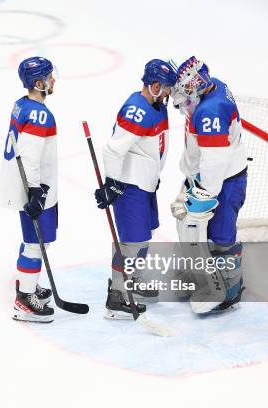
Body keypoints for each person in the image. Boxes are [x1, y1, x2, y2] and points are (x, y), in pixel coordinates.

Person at [94, 59, 177, 319]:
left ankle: (134, 282)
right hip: (130, 186)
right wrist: (113, 184)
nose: (168, 94)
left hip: (146, 184)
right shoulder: (136, 110)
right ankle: (117, 295)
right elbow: (113, 150)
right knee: (132, 243)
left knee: (143, 237)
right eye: (165, 88)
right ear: (153, 86)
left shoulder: (157, 106)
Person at [170, 56, 248, 313]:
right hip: (208, 176)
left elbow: (215, 160)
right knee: (193, 230)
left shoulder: (209, 112)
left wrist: (205, 194)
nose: (182, 102)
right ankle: (203, 277)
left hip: (223, 181)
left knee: (221, 236)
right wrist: (191, 181)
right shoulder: (213, 86)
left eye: (186, 94)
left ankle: (230, 289)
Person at [0, 56, 57, 323]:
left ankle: (27, 284)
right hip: (33, 185)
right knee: (35, 243)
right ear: (38, 82)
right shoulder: (39, 114)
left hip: (22, 181)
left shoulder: (21, 104)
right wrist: (36, 191)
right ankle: (25, 299)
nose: (53, 80)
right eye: (49, 76)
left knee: (30, 240)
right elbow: (31, 157)